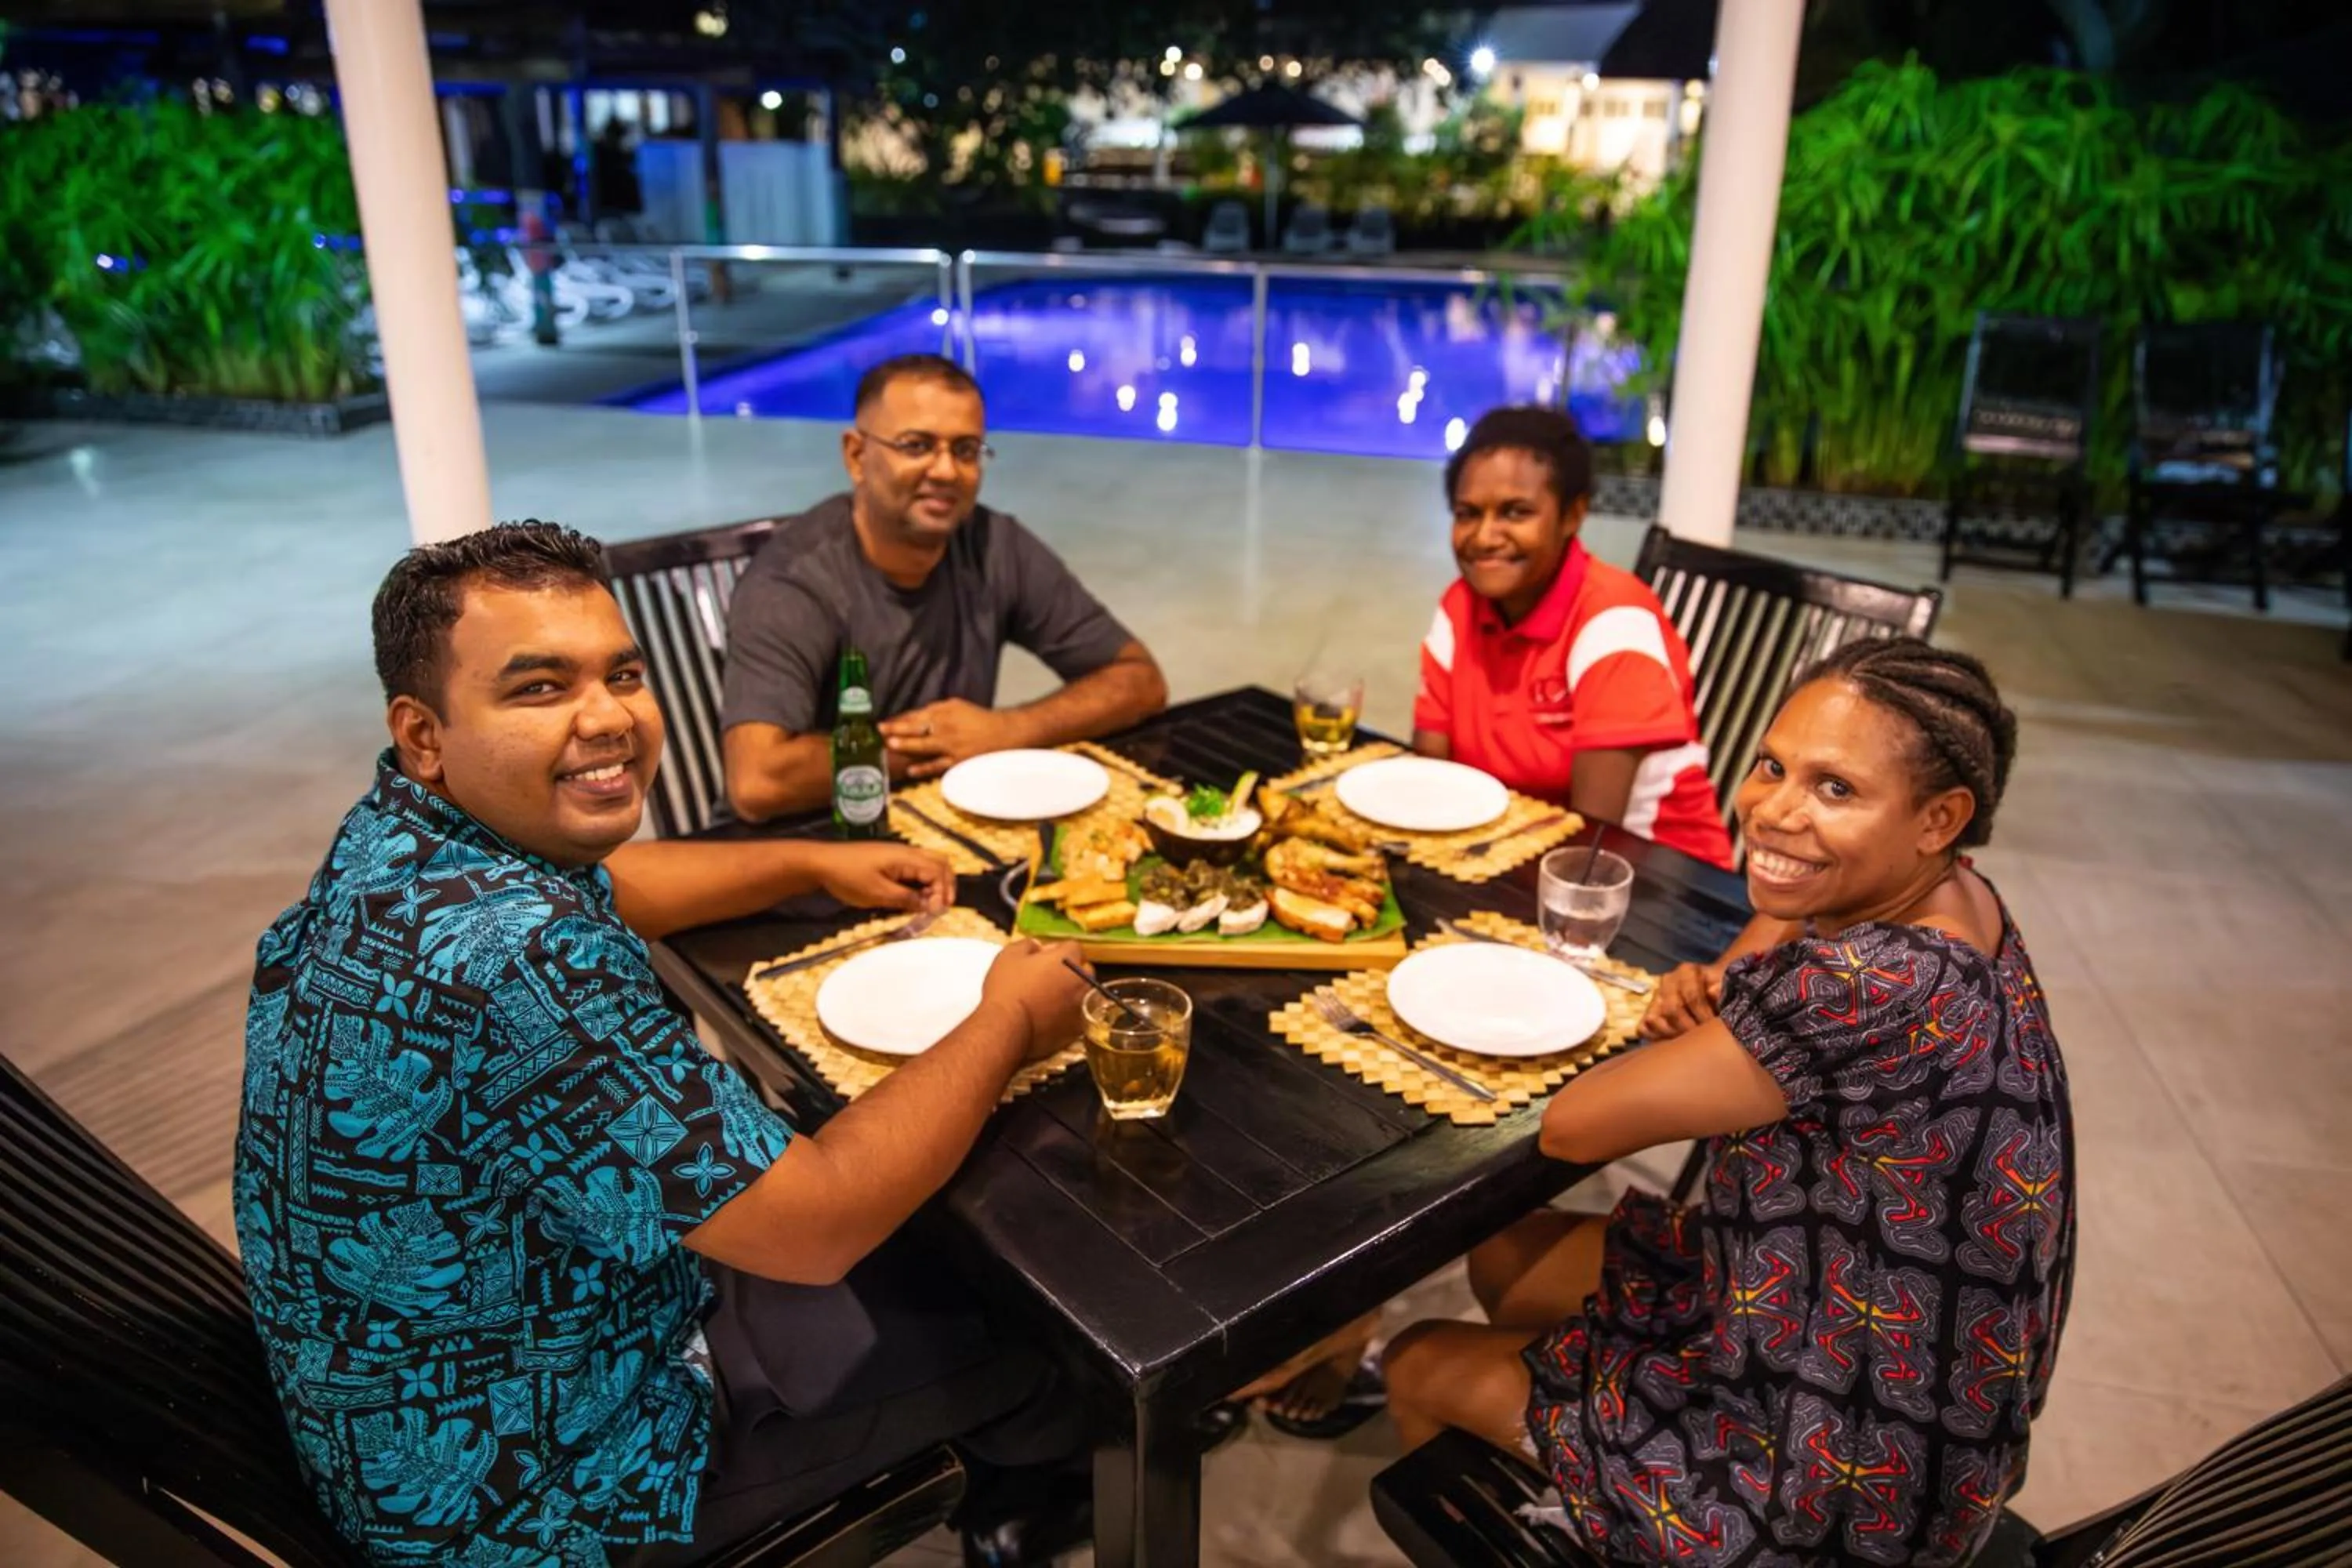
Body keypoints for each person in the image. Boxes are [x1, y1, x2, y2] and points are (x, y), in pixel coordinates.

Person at [234, 523, 1096, 1566]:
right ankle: (1031, 1510)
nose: (609, 718)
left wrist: (807, 866)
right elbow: (815, 1229)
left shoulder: (403, 841)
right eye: (540, 688)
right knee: (1047, 1326)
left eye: (624, 674)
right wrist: (1008, 1015)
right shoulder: (524, 966)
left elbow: (612, 882)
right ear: (426, 731)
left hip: (416, 1425)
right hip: (548, 1487)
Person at [1384, 638, 2074, 1567]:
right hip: (1839, 1332)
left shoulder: (1874, 981)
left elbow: (1575, 1120)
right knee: (1509, 1251)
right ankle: (1586, 1429)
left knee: (1424, 1357)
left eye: (1836, 789)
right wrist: (1742, 959)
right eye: (1773, 766)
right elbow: (1755, 977)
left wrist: (1711, 1012)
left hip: (1834, 1477)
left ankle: (1597, 1486)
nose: (1776, 810)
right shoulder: (1958, 900)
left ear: (1939, 816)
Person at [721, 354, 1167, 822]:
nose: (946, 471)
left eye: (966, 450)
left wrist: (1009, 729)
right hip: (802, 843)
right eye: (916, 446)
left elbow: (1140, 681)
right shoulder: (796, 581)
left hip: (939, 819)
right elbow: (759, 781)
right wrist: (938, 748)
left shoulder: (996, 546)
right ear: (857, 455)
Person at [1413, 407, 1734, 869]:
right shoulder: (1459, 606)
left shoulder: (1612, 621)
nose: (1484, 536)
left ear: (1572, 514)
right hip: (1512, 856)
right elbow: (1430, 780)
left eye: (1516, 512)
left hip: (1653, 878)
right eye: (1467, 513)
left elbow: (1593, 837)